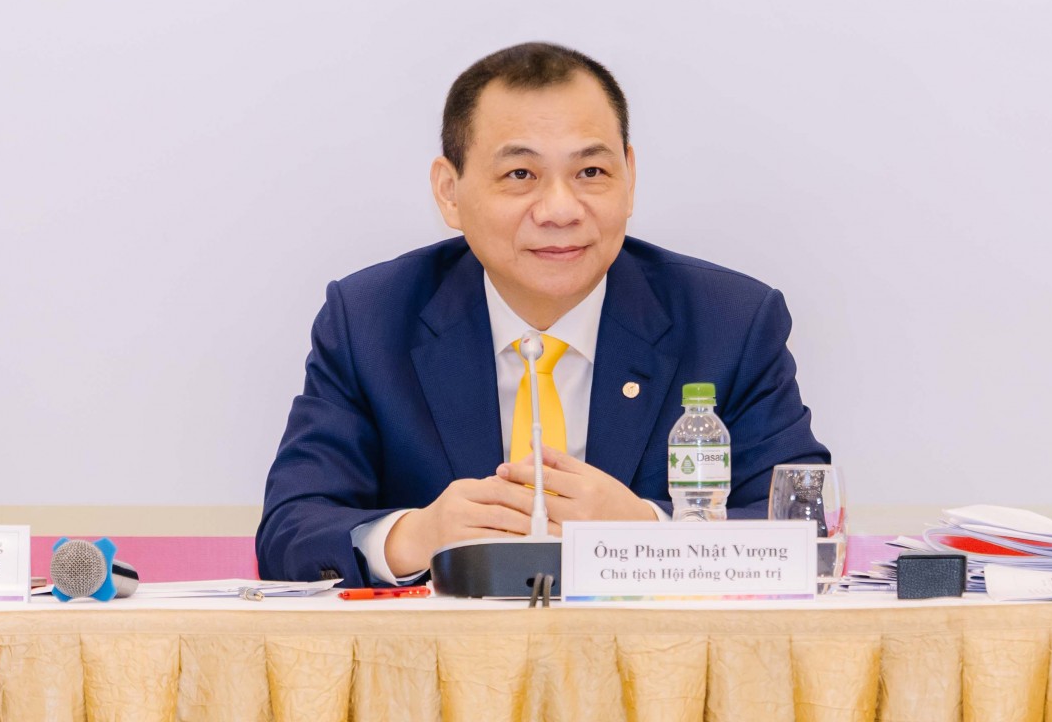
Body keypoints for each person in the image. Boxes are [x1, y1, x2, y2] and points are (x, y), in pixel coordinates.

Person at [256, 42, 829, 585]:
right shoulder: (370, 321)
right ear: (450, 192)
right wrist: (417, 536)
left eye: (591, 173)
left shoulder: (731, 322)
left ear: (629, 179)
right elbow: (292, 530)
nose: (560, 209)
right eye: (520, 175)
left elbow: (805, 529)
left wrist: (652, 533)